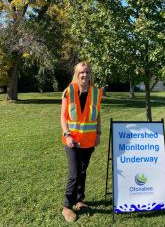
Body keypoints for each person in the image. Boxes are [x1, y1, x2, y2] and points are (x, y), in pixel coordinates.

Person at [61, 61, 102, 222]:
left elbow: (97, 115)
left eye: (87, 72)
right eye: (81, 72)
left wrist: (98, 133)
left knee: (83, 171)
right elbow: (63, 116)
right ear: (77, 74)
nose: (85, 75)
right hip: (72, 140)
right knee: (75, 172)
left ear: (91, 74)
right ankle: (67, 206)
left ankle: (79, 199)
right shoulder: (69, 91)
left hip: (89, 139)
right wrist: (67, 135)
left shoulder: (97, 93)